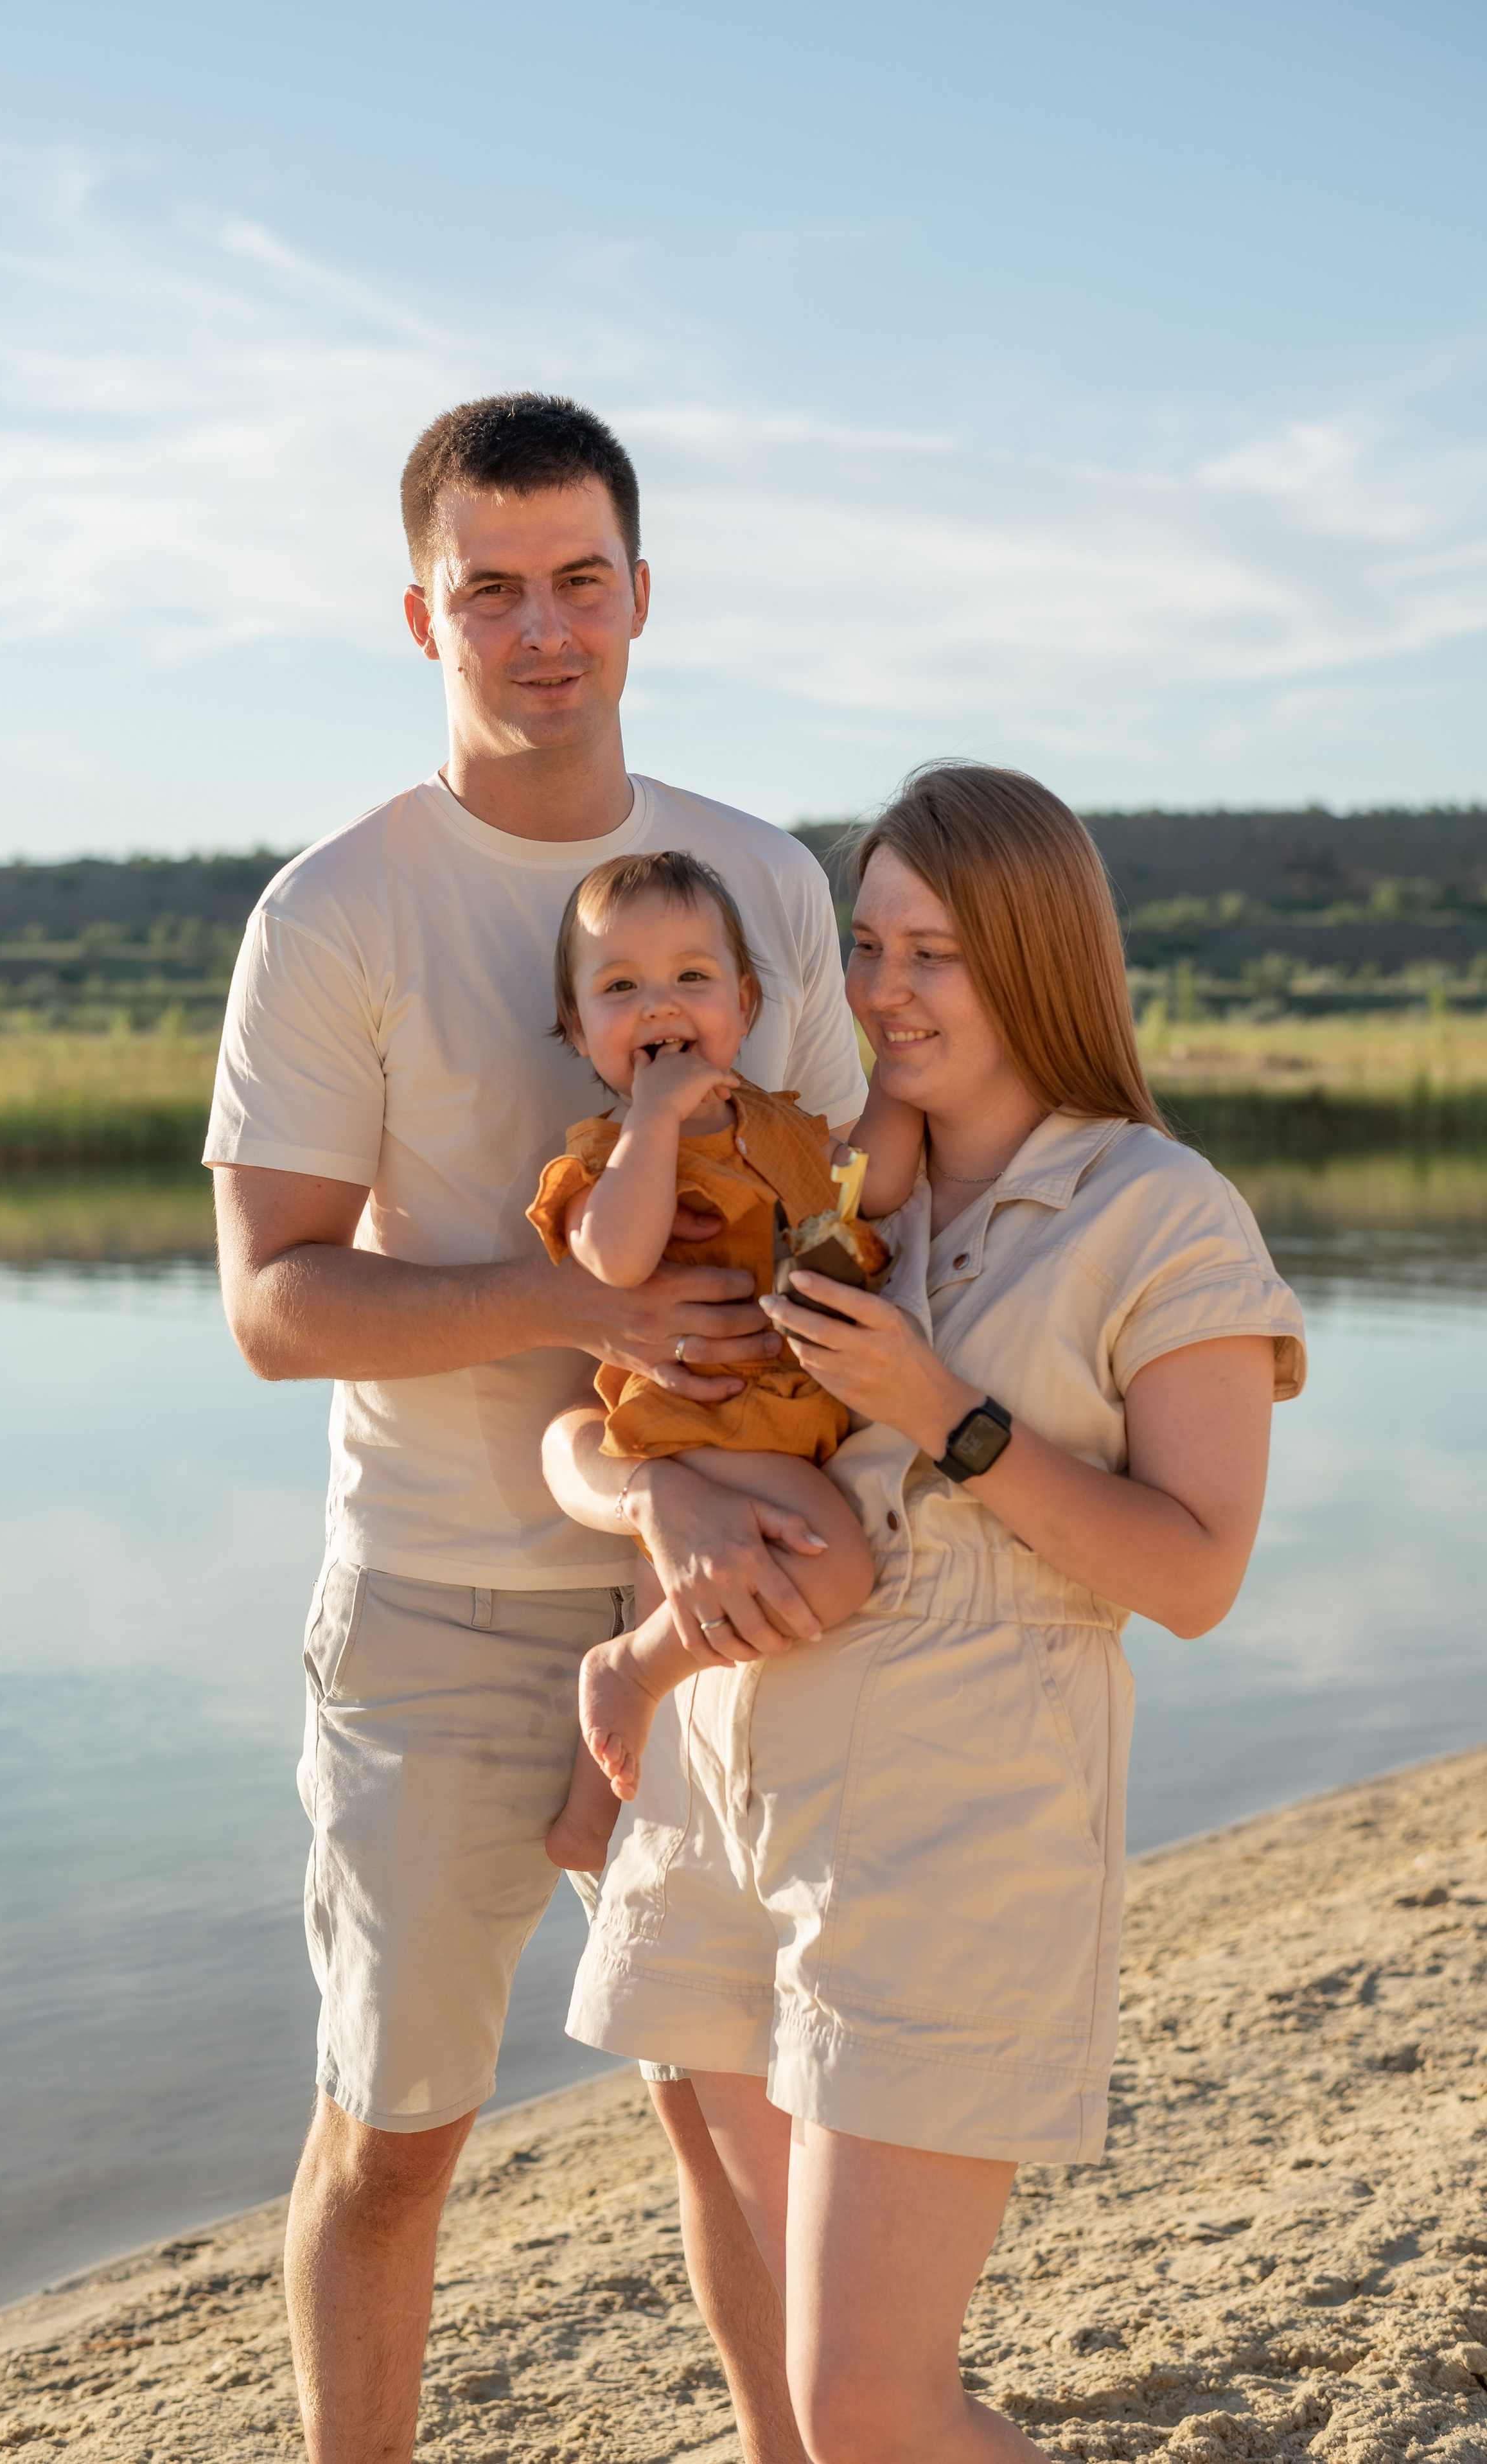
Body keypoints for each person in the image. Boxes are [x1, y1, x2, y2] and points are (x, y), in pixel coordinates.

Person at [204, 391, 867, 2464]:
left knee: (739, 2102)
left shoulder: (756, 877)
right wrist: (570, 1303)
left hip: (731, 1591)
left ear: (642, 596)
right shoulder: (335, 913)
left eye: (580, 580)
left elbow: (860, 1208)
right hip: (438, 1608)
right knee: (399, 2136)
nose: (541, 628)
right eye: (490, 590)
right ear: (424, 616)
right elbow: (272, 1300)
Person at [541, 761, 1307, 2463]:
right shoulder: (801, 1170)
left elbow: (1193, 1573)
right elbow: (590, 1420)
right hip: (723, 1794)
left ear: (1036, 958)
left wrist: (950, 1410)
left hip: (958, 1826)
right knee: (806, 2413)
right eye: (870, 944)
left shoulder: (1156, 1211)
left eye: (935, 953)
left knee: (872, 2409)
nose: (884, 991)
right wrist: (643, 1496)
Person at [529, 849, 920, 1870]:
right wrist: (653, 1121)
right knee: (828, 1568)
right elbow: (612, 1260)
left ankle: (592, 1811)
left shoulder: (783, 1123)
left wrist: (910, 1088)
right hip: (697, 1423)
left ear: (742, 1004)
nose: (660, 1006)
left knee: (677, 1599)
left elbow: (856, 1197)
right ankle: (629, 1674)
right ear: (580, 1031)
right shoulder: (601, 1155)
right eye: (621, 989)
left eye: (690, 979)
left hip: (780, 1416)